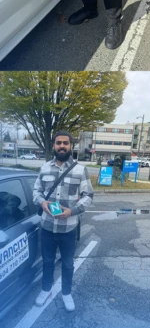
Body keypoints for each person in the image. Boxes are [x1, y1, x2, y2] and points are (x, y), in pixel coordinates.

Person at [31, 131, 93, 311]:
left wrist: (72, 211)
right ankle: (46, 289)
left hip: (69, 227)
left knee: (68, 263)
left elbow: (88, 195)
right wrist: (42, 203)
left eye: (65, 143)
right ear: (54, 145)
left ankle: (66, 293)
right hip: (48, 227)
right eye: (58, 143)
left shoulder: (80, 170)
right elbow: (36, 191)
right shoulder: (44, 168)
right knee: (47, 261)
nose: (62, 146)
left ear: (70, 145)